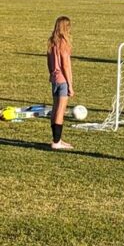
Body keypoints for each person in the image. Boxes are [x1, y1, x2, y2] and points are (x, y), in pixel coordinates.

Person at [47, 16, 75, 150]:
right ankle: (56, 142)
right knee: (60, 110)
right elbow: (65, 65)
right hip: (63, 80)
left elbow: (48, 61)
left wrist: (52, 73)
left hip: (54, 78)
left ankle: (56, 138)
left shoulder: (52, 42)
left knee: (55, 108)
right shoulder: (63, 43)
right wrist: (70, 84)